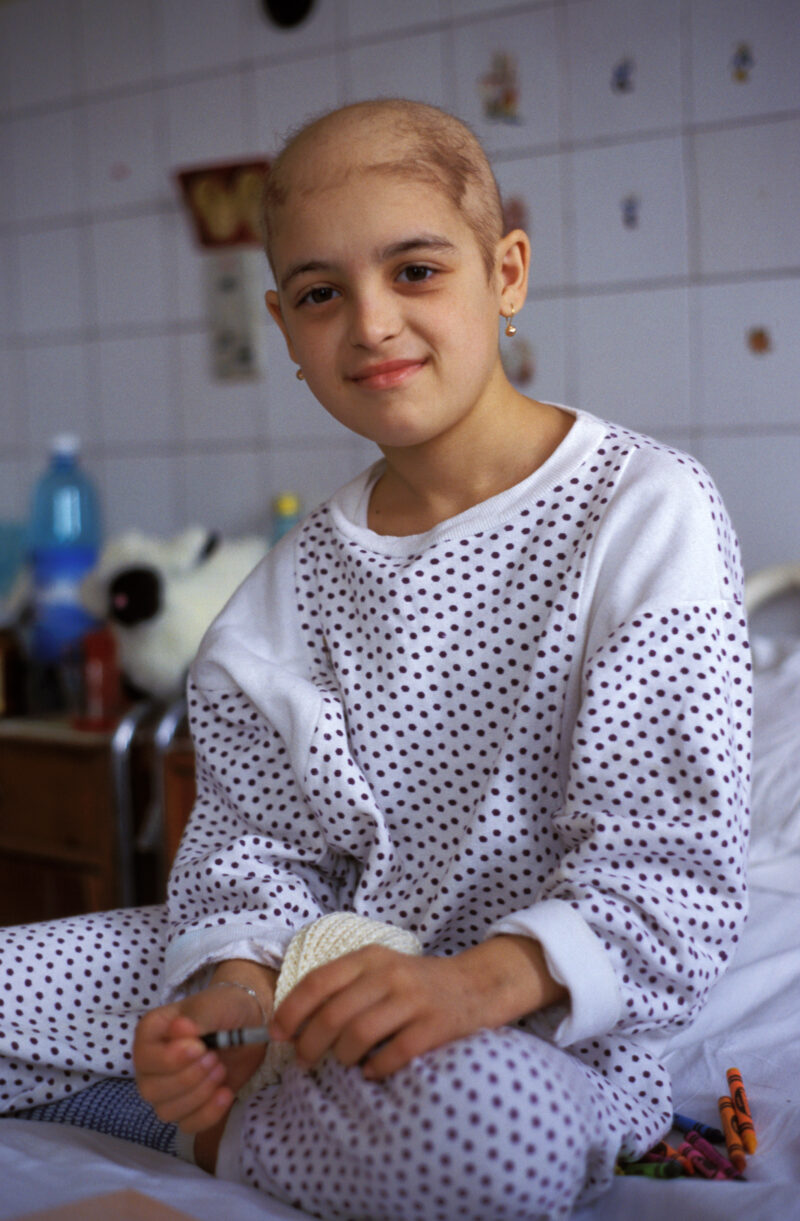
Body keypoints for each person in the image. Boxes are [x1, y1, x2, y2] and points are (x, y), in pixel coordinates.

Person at [0, 99, 751, 1221]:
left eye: (413, 270)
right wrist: (230, 1006)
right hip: (309, 986)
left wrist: (461, 986)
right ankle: (203, 1098)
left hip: (536, 1031)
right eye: (319, 295)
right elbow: (249, 855)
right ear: (283, 327)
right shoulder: (280, 595)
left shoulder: (643, 512)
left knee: (496, 1141)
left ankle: (197, 1134)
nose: (369, 324)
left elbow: (669, 873)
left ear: (504, 274)